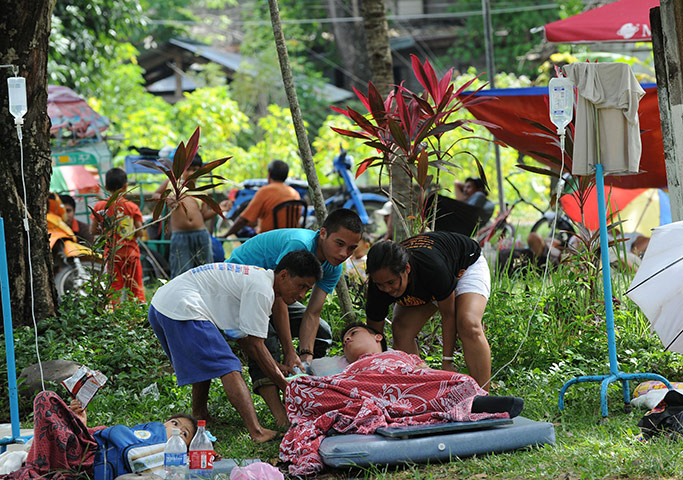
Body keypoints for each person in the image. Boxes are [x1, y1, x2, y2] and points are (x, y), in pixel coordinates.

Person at [280, 323, 522, 476]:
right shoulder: (346, 371)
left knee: (454, 380)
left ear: (378, 337)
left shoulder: (399, 355)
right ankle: (444, 407)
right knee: (297, 387)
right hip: (362, 389)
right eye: (344, 341)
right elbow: (333, 389)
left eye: (353, 334)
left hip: (405, 382)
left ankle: (474, 403)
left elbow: (423, 374)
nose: (347, 341)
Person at [148, 250, 322, 442]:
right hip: (182, 307)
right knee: (230, 366)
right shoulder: (261, 289)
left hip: (161, 305)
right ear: (283, 275)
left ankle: (200, 415)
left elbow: (246, 340)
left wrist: (278, 368)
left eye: (307, 289)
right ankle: (257, 431)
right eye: (301, 286)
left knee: (207, 359)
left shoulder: (259, 281)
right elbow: (256, 346)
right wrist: (286, 386)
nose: (302, 295)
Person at [225, 208, 362, 427]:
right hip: (241, 288)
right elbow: (278, 294)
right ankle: (280, 414)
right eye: (339, 243)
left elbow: (312, 312)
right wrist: (290, 351)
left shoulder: (334, 266)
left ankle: (302, 384)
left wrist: (305, 357)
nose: (344, 253)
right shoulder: (299, 244)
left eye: (352, 248)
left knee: (323, 332)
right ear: (323, 233)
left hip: (274, 293)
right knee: (265, 335)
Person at [365, 231, 492, 390]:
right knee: (401, 330)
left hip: (465, 266)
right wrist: (375, 372)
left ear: (407, 268)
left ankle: (483, 397)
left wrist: (447, 361)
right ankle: (418, 391)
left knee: (468, 323)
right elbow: (374, 336)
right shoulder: (378, 287)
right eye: (380, 284)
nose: (386, 289)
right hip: (430, 283)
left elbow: (448, 314)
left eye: (391, 282)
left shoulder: (431, 267)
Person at [2, 390, 196, 479]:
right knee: (46, 398)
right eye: (174, 423)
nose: (176, 431)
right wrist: (80, 422)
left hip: (90, 466)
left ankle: (35, 467)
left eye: (185, 433)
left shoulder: (174, 463)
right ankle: (37, 464)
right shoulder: (141, 433)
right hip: (81, 447)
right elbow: (94, 437)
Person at [152, 153, 214, 278]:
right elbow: (155, 195)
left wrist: (219, 210)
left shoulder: (201, 191)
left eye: (195, 170)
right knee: (181, 271)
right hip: (180, 235)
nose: (191, 173)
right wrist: (168, 198)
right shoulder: (172, 183)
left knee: (206, 271)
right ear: (182, 169)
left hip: (200, 233)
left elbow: (203, 215)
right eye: (188, 169)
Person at [90, 168, 146, 302]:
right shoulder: (132, 207)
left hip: (112, 255)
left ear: (107, 187)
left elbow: (93, 231)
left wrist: (107, 231)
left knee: (113, 289)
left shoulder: (100, 206)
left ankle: (114, 318)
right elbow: (140, 232)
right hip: (131, 253)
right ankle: (138, 317)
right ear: (125, 186)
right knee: (135, 288)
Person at [223, 160, 302, 237]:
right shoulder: (295, 194)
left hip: (269, 240)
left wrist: (225, 236)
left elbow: (243, 220)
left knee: (241, 230)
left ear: (269, 175)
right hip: (291, 238)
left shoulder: (265, 191)